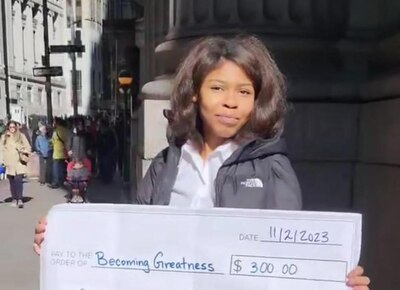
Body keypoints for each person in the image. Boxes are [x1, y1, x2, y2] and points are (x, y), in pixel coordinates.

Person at [33, 35, 370, 289]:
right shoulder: (166, 165)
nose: (230, 103)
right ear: (195, 92)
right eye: (218, 88)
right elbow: (130, 240)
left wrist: (334, 278)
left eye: (244, 92)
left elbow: (291, 259)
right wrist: (64, 241)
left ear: (257, 101)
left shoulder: (272, 168)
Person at [0, 120, 31, 208]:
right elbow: (1, 149)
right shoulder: (4, 137)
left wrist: (23, 150)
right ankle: (14, 198)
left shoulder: (21, 136)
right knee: (12, 182)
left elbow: (28, 147)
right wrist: (1, 161)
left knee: (18, 180)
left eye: (14, 127)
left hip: (19, 162)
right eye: (10, 127)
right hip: (9, 162)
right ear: (8, 128)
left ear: (16, 128)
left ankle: (20, 199)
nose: (12, 129)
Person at [49, 117, 68, 189]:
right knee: (62, 168)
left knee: (56, 169)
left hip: (57, 153)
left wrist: (51, 142)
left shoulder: (56, 131)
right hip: (64, 152)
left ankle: (56, 182)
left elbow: (53, 141)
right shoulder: (65, 130)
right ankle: (62, 182)